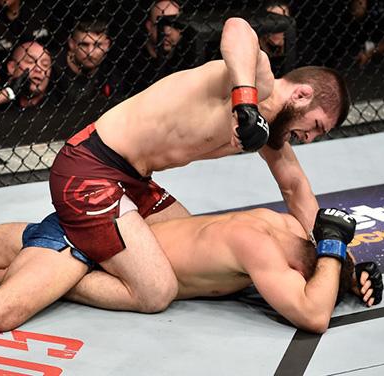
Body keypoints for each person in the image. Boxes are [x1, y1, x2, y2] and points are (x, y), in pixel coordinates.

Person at [45, 16, 351, 316]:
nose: (309, 139)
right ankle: (53, 279)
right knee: (155, 289)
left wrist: (347, 265)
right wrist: (245, 103)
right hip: (91, 167)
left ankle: (41, 239)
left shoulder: (269, 134)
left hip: (133, 180)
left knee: (189, 260)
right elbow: (237, 27)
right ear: (301, 95)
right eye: (316, 126)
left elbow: (295, 187)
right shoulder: (258, 81)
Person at [0, 183, 383, 334]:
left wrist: (346, 269)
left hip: (91, 229)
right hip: (86, 250)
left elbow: (316, 264)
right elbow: (311, 314)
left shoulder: (281, 228)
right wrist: (335, 255)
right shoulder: (264, 251)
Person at [55, 18, 122, 106]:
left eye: (97, 45)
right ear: (72, 44)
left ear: (107, 45)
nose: (90, 53)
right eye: (84, 44)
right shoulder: (53, 68)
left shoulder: (110, 71)